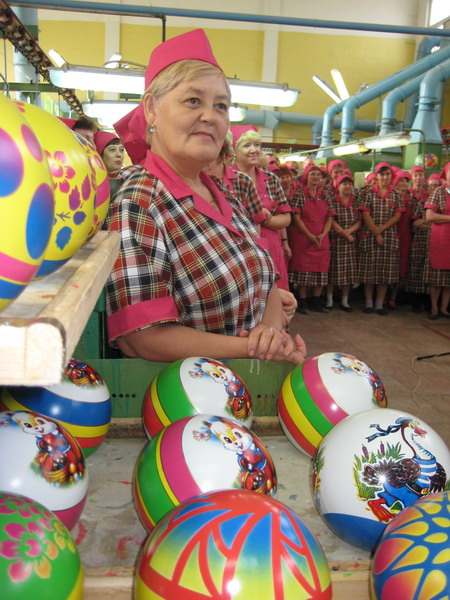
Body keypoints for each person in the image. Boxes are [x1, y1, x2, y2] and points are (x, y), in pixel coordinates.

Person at [105, 29, 305, 364]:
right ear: (151, 109)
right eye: (193, 100)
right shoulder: (139, 203)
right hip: (187, 397)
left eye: (221, 106)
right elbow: (142, 338)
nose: (211, 116)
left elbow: (266, 278)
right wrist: (254, 348)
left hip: (243, 382)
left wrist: (271, 333)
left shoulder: (221, 191)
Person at [232, 126, 292, 291]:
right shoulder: (226, 179)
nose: (254, 150)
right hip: (239, 250)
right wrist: (256, 215)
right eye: (247, 145)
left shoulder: (271, 179)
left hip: (271, 249)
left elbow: (286, 218)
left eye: (257, 145)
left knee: (275, 301)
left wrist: (267, 219)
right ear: (234, 151)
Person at [288, 164, 335, 314]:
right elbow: (296, 217)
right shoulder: (299, 194)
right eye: (312, 174)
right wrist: (309, 235)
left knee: (321, 270)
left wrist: (323, 234)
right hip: (303, 238)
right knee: (304, 272)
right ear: (305, 177)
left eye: (318, 175)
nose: (315, 177)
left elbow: (330, 217)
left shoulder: (325, 195)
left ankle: (316, 301)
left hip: (322, 238)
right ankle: (303, 302)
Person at [358, 162, 402, 315]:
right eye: (382, 174)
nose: (385, 177)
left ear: (391, 176)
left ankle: (379, 305)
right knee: (369, 272)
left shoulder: (396, 194)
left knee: (385, 272)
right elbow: (365, 214)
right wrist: (376, 232)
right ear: (376, 176)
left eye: (387, 174)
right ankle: (369, 303)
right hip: (370, 235)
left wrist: (381, 230)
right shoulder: (368, 193)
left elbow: (397, 215)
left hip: (389, 237)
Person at [326, 174, 361, 311]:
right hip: (335, 240)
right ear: (338, 186)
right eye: (344, 184)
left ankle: (345, 301)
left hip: (351, 241)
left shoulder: (356, 201)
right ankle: (329, 300)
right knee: (332, 271)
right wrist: (343, 232)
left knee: (348, 272)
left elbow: (360, 220)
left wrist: (349, 231)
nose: (347, 186)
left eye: (350, 184)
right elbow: (331, 219)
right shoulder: (333, 200)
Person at [424, 161, 450, 319]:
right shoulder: (438, 192)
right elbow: (430, 216)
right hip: (440, 240)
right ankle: (434, 307)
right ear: (445, 175)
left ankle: (444, 308)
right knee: (436, 278)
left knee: (449, 280)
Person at [387, 170, 412, 308]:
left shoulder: (411, 199)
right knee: (387, 264)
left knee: (400, 266)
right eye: (401, 180)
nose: (403, 183)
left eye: (406, 181)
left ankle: (393, 297)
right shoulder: (390, 197)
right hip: (390, 233)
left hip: (404, 236)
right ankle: (382, 297)